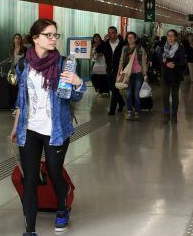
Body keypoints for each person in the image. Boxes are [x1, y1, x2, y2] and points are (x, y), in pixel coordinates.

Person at [9, 18, 86, 235]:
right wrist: (16, 127)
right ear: (35, 38)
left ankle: (62, 208)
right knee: (30, 179)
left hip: (56, 130)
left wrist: (78, 82)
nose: (53, 39)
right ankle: (30, 229)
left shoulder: (63, 63)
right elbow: (21, 99)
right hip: (29, 130)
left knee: (54, 173)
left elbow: (76, 97)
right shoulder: (24, 64)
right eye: (48, 35)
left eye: (55, 35)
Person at [96, 26, 125, 115]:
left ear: (116, 34)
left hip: (119, 69)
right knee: (112, 88)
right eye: (109, 32)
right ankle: (121, 103)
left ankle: (112, 109)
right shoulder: (105, 44)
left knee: (115, 89)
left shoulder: (122, 44)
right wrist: (103, 41)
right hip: (109, 69)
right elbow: (98, 50)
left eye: (112, 32)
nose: (110, 34)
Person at [119, 32, 148, 120]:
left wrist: (145, 74)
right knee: (128, 93)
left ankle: (137, 111)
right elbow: (121, 61)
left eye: (132, 38)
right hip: (128, 74)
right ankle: (129, 111)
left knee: (136, 94)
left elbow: (144, 62)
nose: (130, 39)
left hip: (138, 73)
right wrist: (119, 72)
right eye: (128, 38)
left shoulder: (140, 49)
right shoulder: (124, 48)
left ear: (135, 39)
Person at [161, 29, 186, 123]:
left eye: (172, 36)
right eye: (168, 35)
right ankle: (166, 114)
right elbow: (159, 60)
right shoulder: (163, 47)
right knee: (165, 96)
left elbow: (183, 62)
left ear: (175, 37)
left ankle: (174, 115)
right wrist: (166, 64)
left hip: (176, 75)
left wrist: (174, 65)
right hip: (165, 75)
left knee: (175, 96)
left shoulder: (180, 48)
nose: (170, 37)